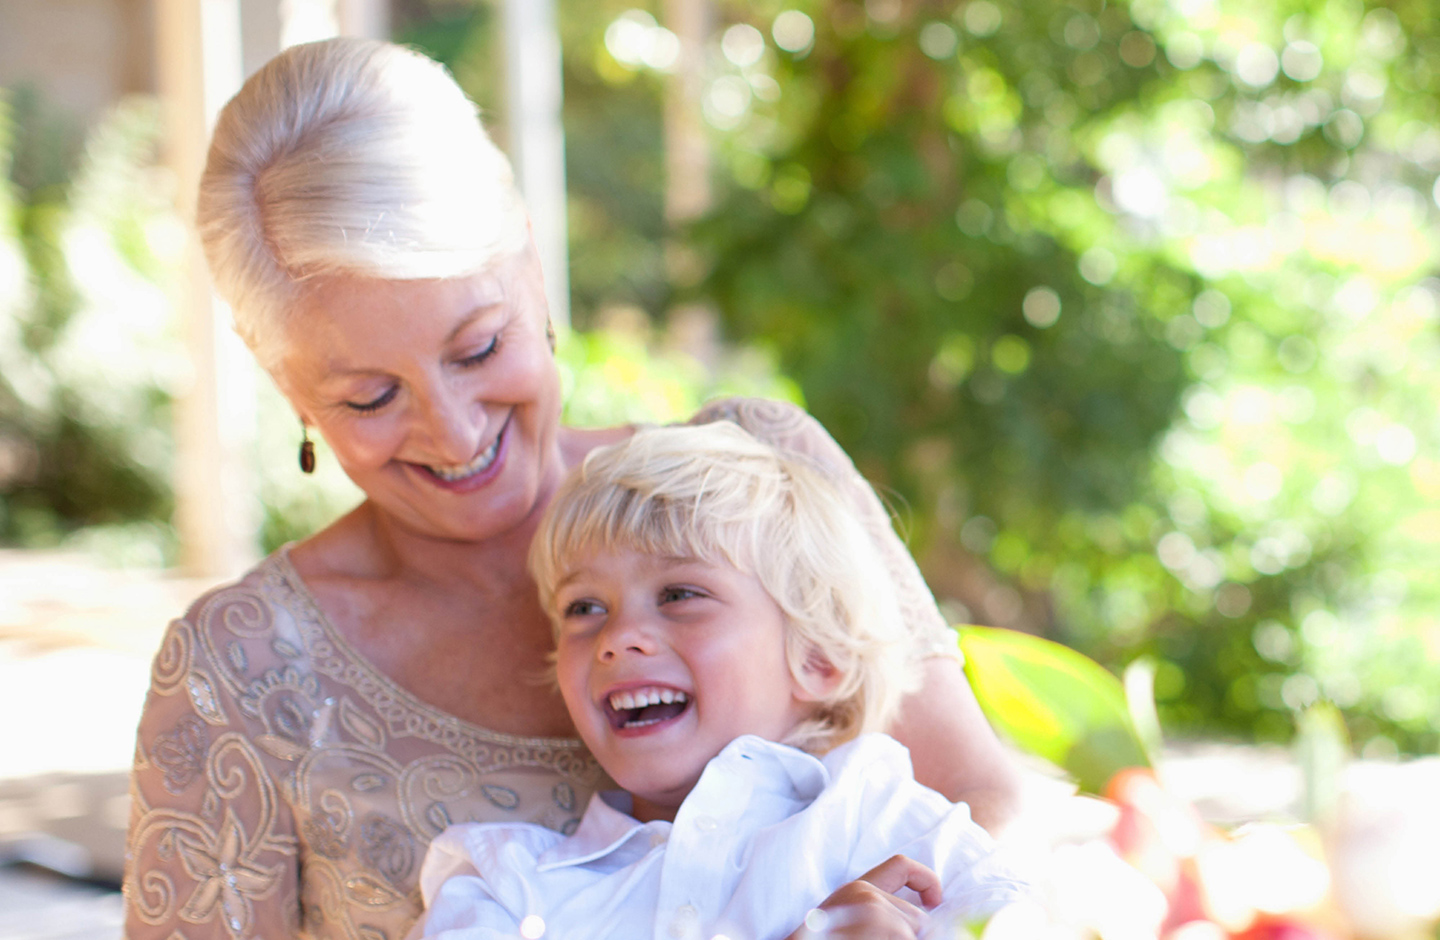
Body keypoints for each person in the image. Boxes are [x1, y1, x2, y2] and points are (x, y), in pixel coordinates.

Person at [123, 36, 1021, 940]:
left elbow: (984, 804)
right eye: (371, 395)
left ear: (532, 263)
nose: (456, 430)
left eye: (478, 348)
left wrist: (897, 917)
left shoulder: (758, 482)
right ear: (284, 381)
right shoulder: (243, 670)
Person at [410, 423, 1028, 940]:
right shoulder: (505, 885)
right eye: (583, 609)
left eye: (680, 594)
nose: (618, 636)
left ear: (816, 657)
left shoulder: (896, 826)